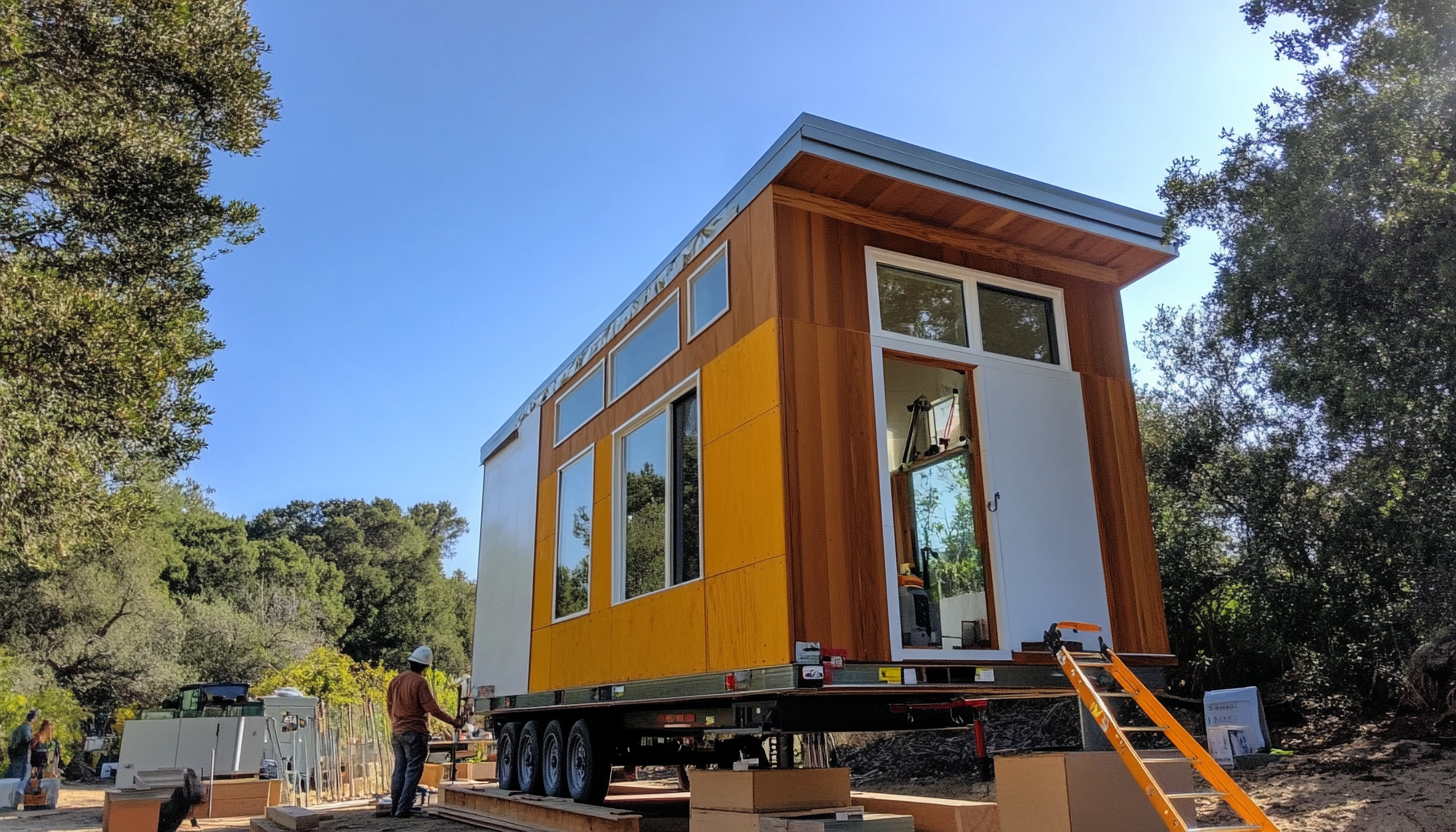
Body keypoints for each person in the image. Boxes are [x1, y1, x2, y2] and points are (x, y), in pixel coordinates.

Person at [386, 645, 463, 819]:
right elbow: (432, 709)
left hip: (397, 732)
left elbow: (389, 706)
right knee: (413, 769)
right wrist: (453, 722)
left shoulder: (396, 680)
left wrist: (396, 722)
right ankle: (403, 809)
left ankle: (395, 807)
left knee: (399, 769)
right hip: (415, 732)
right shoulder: (419, 682)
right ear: (425, 667)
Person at [5, 710, 35, 780]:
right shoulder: (26, 729)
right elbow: (28, 742)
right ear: (33, 719)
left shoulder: (19, 728)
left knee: (12, 773)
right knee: (17, 777)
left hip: (14, 754)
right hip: (20, 756)